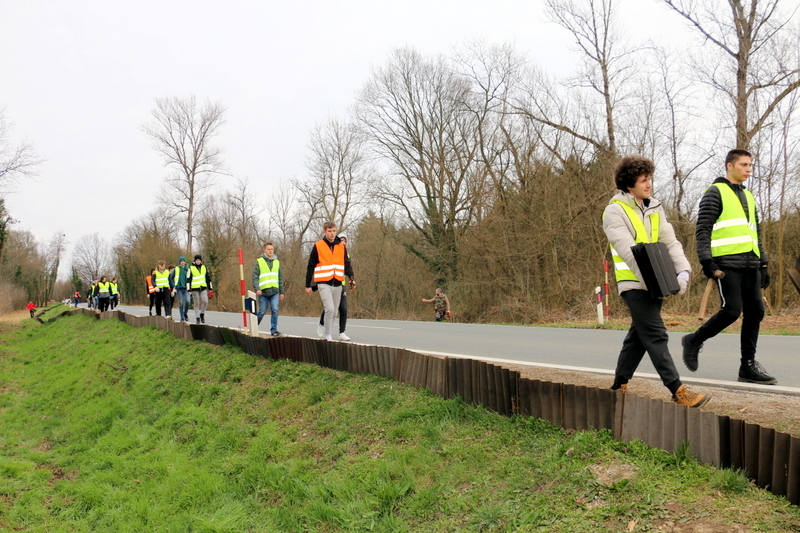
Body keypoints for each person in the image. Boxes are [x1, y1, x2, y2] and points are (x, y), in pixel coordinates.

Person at [603, 155, 710, 408]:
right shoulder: (615, 211)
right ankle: (677, 390)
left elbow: (671, 242)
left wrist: (683, 271)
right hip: (633, 284)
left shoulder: (654, 208)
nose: (649, 184)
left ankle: (619, 385)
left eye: (650, 179)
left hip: (655, 282)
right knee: (655, 334)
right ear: (630, 185)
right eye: (643, 180)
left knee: (638, 337)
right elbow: (629, 252)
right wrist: (653, 282)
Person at [682, 149, 775, 385]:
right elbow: (703, 230)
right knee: (732, 311)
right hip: (726, 265)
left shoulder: (749, 196)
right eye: (743, 165)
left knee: (756, 312)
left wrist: (763, 262)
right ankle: (694, 340)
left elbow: (756, 232)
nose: (748, 169)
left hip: (751, 263)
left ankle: (748, 366)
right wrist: (707, 262)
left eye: (750, 165)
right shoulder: (715, 193)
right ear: (729, 166)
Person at [305, 222, 355, 341]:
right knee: (330, 309)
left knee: (334, 313)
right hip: (323, 282)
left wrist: (352, 278)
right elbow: (310, 265)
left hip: (338, 282)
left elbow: (347, 264)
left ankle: (328, 331)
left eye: (334, 231)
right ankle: (328, 336)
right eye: (329, 231)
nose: (332, 233)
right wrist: (308, 285)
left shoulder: (341, 246)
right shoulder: (318, 246)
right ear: (324, 232)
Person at [318, 233, 353, 341]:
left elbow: (348, 267)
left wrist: (352, 278)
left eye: (345, 241)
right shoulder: (333, 250)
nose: (343, 242)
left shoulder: (346, 254)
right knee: (330, 308)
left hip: (341, 284)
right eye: (341, 240)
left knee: (343, 309)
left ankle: (342, 332)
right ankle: (321, 323)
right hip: (330, 283)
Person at [252, 242, 285, 336]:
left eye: (272, 249)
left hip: (275, 291)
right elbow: (255, 277)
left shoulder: (277, 262)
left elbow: (280, 278)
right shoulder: (259, 261)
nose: (270, 251)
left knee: (275, 309)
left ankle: (274, 330)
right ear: (264, 250)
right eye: (268, 249)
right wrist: (257, 288)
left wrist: (282, 292)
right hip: (263, 292)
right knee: (262, 311)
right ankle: (254, 327)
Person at [189, 254, 212, 323]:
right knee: (196, 303)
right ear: (194, 261)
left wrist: (210, 288)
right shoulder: (191, 268)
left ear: (201, 261)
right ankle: (197, 317)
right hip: (195, 288)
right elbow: (188, 279)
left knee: (205, 301)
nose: (198, 261)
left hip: (203, 287)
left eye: (199, 260)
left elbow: (208, 278)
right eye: (196, 260)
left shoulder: (204, 267)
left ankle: (202, 314)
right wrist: (188, 289)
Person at [173, 256, 191, 323]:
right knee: (181, 303)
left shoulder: (188, 269)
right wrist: (174, 285)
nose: (182, 262)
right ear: (180, 262)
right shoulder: (177, 268)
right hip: (179, 288)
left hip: (187, 288)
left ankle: (185, 313)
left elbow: (191, 278)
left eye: (183, 261)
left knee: (188, 301)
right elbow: (171, 277)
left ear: (185, 262)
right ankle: (182, 316)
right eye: (181, 261)